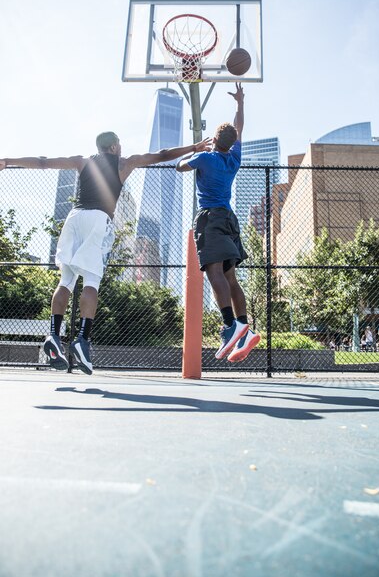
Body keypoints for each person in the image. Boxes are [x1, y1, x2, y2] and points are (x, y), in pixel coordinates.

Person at [0, 134, 210, 374]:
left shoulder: (82, 161)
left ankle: (53, 335)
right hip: (98, 219)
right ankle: (82, 339)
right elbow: (161, 155)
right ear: (113, 146)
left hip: (74, 218)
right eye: (119, 144)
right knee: (91, 281)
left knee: (65, 281)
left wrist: (8, 160)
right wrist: (193, 147)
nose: (121, 147)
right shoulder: (124, 163)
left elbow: (43, 161)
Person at [176, 83, 260, 363]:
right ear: (232, 143)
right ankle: (244, 328)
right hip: (229, 219)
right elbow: (240, 127)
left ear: (214, 139)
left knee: (214, 274)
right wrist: (241, 103)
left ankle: (230, 326)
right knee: (230, 277)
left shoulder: (205, 157)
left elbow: (179, 166)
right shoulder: (234, 158)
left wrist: (198, 148)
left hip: (210, 218)